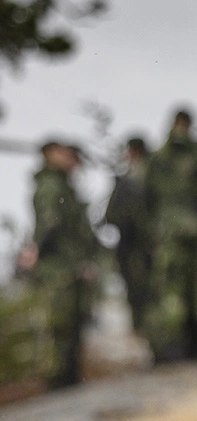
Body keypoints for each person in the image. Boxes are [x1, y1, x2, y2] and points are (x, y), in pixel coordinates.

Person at [144, 109, 197, 362]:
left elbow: (146, 201)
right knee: (195, 291)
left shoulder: (157, 158)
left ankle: (177, 350)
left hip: (171, 233)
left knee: (175, 291)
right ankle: (196, 348)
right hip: (192, 231)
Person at [28, 140, 103, 388]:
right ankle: (57, 380)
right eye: (63, 154)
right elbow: (50, 223)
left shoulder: (63, 185)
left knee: (71, 323)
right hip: (57, 269)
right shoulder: (51, 186)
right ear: (49, 154)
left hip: (69, 266)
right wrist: (35, 248)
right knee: (58, 324)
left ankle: (67, 378)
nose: (70, 160)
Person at [104, 136, 154, 334]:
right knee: (139, 290)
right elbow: (111, 215)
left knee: (145, 292)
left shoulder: (144, 178)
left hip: (143, 246)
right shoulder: (129, 179)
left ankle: (150, 332)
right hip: (133, 245)